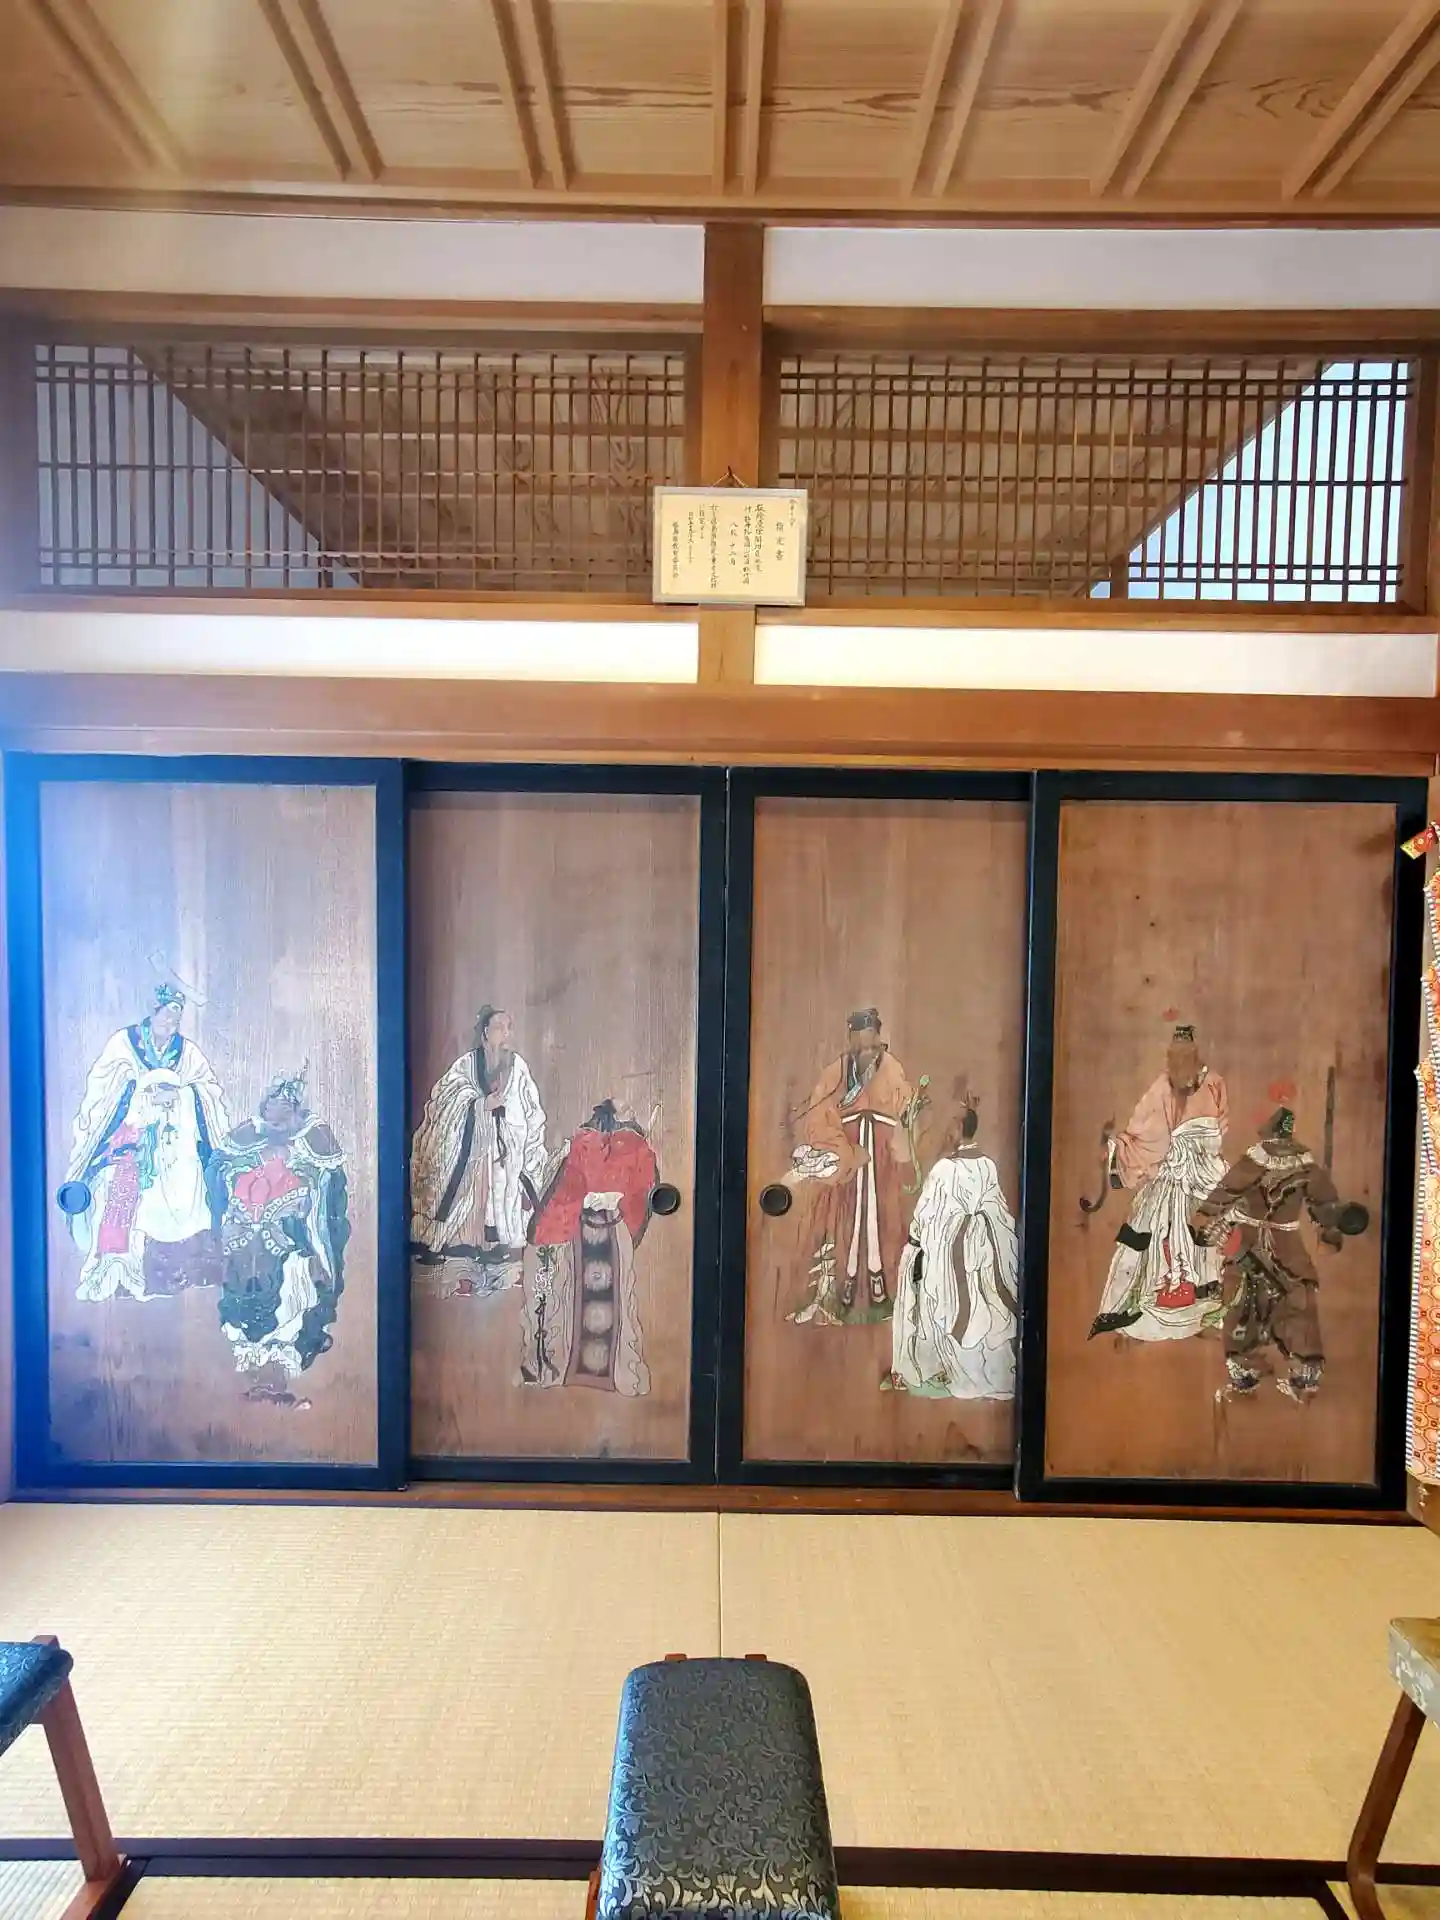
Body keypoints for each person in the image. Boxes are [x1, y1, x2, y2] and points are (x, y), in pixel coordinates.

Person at [59, 983, 230, 1302]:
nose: (170, 1027)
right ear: (153, 1013)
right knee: (122, 1180)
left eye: (175, 1022)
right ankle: (123, 1269)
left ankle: (191, 1267)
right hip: (132, 1138)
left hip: (177, 1140)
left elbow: (207, 1090)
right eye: (165, 1018)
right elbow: (104, 1094)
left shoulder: (187, 1052)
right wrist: (143, 1096)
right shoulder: (124, 1045)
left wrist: (182, 1096)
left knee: (193, 1179)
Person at [1190, 1106, 1368, 1404]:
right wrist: (1331, 1231)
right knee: (1292, 1297)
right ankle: (1299, 1372)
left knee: (1244, 1298)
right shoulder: (1305, 1165)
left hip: (1249, 1239)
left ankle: (1248, 1370)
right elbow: (1325, 1205)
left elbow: (1226, 1192)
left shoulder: (1254, 1160)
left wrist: (1203, 1217)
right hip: (1284, 1243)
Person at [208, 1067, 349, 1403]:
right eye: (274, 1099)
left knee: (291, 1294)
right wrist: (244, 1175)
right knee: (245, 1283)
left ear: (297, 1107)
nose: (278, 1107)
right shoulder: (249, 1133)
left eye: (287, 1102)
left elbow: (330, 1182)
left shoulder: (315, 1134)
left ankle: (283, 1362)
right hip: (248, 1234)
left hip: (293, 1237)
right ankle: (255, 1363)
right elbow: (219, 1167)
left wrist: (301, 1181)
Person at [1088, 1023, 1228, 1342]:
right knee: (1157, 1234)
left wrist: (1199, 1145)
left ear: (1195, 1053)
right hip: (1174, 1173)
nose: (1180, 1062)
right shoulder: (1162, 1087)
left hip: (1204, 1170)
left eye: (1185, 1054)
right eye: (1175, 1055)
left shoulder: (1214, 1082)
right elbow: (1143, 1132)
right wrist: (1120, 1147)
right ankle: (1151, 1305)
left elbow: (1221, 1125)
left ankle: (1207, 1310)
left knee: (1209, 1237)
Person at [785, 1009, 915, 1327]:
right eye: (859, 1035)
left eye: (870, 1035)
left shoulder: (892, 1067)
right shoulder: (838, 1070)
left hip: (882, 1156)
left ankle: (886, 1293)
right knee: (843, 1221)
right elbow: (818, 1114)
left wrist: (902, 1131)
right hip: (850, 1153)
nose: (865, 1042)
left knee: (885, 1218)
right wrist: (844, 1149)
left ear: (878, 1034)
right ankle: (840, 1294)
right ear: (852, 1037)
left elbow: (906, 1109)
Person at [409, 1006, 547, 1295]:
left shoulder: (517, 1067)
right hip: (472, 1157)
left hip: (505, 1153)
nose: (505, 1034)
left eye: (508, 1028)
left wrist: (512, 1126)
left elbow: (532, 1112)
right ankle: (462, 1262)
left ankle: (500, 1257)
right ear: (484, 1032)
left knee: (503, 1204)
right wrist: (480, 1107)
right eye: (499, 1028)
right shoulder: (466, 1065)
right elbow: (444, 1102)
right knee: (468, 1209)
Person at [526, 1098, 659, 1395]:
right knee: (604, 1298)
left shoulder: (585, 1142)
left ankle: (568, 1369)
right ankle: (617, 1373)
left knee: (579, 1298)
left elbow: (566, 1188)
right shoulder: (633, 1146)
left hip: (583, 1231)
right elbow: (642, 1190)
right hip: (609, 1232)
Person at [886, 1105, 1018, 1400]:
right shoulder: (987, 1164)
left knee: (943, 1307)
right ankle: (987, 1375)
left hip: (950, 1254)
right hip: (981, 1254)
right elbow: (997, 1207)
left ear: (958, 1129)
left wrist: (918, 1241)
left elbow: (927, 1214)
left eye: (948, 1127)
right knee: (983, 1314)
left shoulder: (945, 1169)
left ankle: (949, 1373)